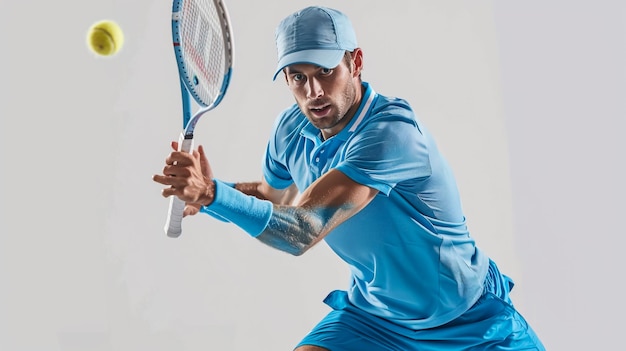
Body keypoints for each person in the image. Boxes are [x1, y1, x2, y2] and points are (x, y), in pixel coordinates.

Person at [153, 6, 545, 351]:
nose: (314, 91)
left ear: (355, 62)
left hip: (469, 322)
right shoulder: (289, 130)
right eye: (297, 77)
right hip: (376, 319)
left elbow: (301, 229)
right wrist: (209, 195)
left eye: (326, 71)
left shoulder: (391, 133)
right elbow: (277, 199)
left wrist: (214, 195)